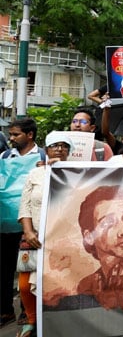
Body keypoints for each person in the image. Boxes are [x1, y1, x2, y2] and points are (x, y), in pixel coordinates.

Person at [16, 132, 73, 337]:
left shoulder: (76, 173)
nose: (59, 149)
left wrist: (60, 171)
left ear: (70, 151)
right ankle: (31, 320)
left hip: (62, 238)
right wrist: (28, 231)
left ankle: (55, 322)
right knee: (24, 285)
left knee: (58, 284)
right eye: (54, 145)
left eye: (64, 146)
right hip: (35, 237)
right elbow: (25, 205)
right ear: (46, 149)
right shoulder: (35, 174)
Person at [1, 118, 45, 328]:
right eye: (10, 134)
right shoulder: (5, 156)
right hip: (8, 221)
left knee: (29, 271)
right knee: (5, 268)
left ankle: (27, 313)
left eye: (15, 134)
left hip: (34, 224)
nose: (11, 138)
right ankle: (6, 309)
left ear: (30, 135)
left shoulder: (44, 156)